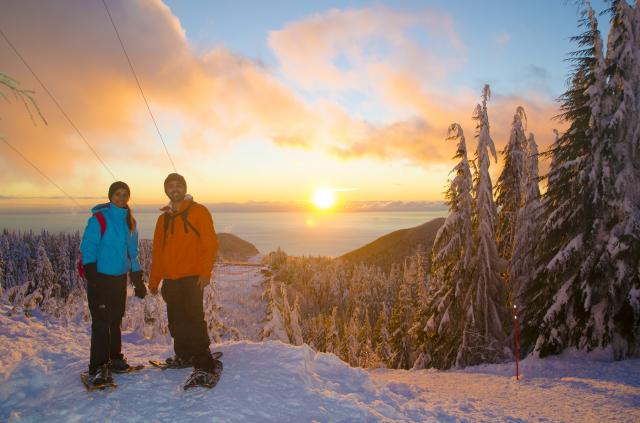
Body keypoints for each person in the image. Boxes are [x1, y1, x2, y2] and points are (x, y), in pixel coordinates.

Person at [148, 173, 220, 386]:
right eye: (170, 185)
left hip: (192, 278)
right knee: (176, 322)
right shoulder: (163, 219)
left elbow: (210, 243)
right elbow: (158, 253)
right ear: (166, 191)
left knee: (194, 320)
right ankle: (184, 355)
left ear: (184, 187)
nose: (174, 188)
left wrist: (206, 272)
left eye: (178, 184)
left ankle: (204, 364)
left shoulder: (198, 211)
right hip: (171, 279)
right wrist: (154, 280)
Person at [80, 181, 147, 386]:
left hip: (119, 280)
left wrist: (137, 280)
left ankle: (115, 359)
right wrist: (91, 273)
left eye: (125, 194)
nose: (121, 197)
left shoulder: (130, 222)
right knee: (101, 322)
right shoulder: (99, 219)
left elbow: (132, 253)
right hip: (99, 278)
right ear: (110, 196)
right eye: (117, 194)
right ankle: (97, 367)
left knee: (115, 319)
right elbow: (88, 247)